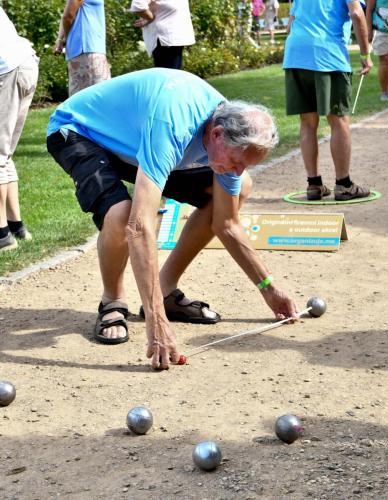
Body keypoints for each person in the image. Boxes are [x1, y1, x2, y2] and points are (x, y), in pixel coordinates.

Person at [46, 68, 299, 370]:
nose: (236, 171)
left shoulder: (226, 134)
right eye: (236, 162)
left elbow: (226, 223)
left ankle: (164, 290)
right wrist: (157, 324)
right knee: (121, 213)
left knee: (237, 190)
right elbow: (139, 228)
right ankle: (112, 301)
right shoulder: (174, 123)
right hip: (80, 131)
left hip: (132, 142)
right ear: (216, 134)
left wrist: (269, 289)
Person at [283, 0, 373, 201]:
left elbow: (290, 24)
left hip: (295, 54)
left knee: (307, 123)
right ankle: (344, 185)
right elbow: (357, 15)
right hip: (328, 56)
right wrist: (365, 54)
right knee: (338, 121)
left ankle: (313, 185)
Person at [0, 7, 38, 252]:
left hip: (6, 69)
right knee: (5, 153)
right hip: (24, 63)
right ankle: (17, 227)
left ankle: (2, 235)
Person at [54, 0, 111, 96]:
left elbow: (67, 15)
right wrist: (61, 39)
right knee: (97, 99)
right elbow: (68, 15)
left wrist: (61, 39)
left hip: (87, 49)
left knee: (92, 99)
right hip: (86, 50)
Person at [128, 0, 195, 69]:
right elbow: (138, 5)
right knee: (168, 77)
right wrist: (150, 18)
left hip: (173, 39)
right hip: (165, 41)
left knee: (172, 75)